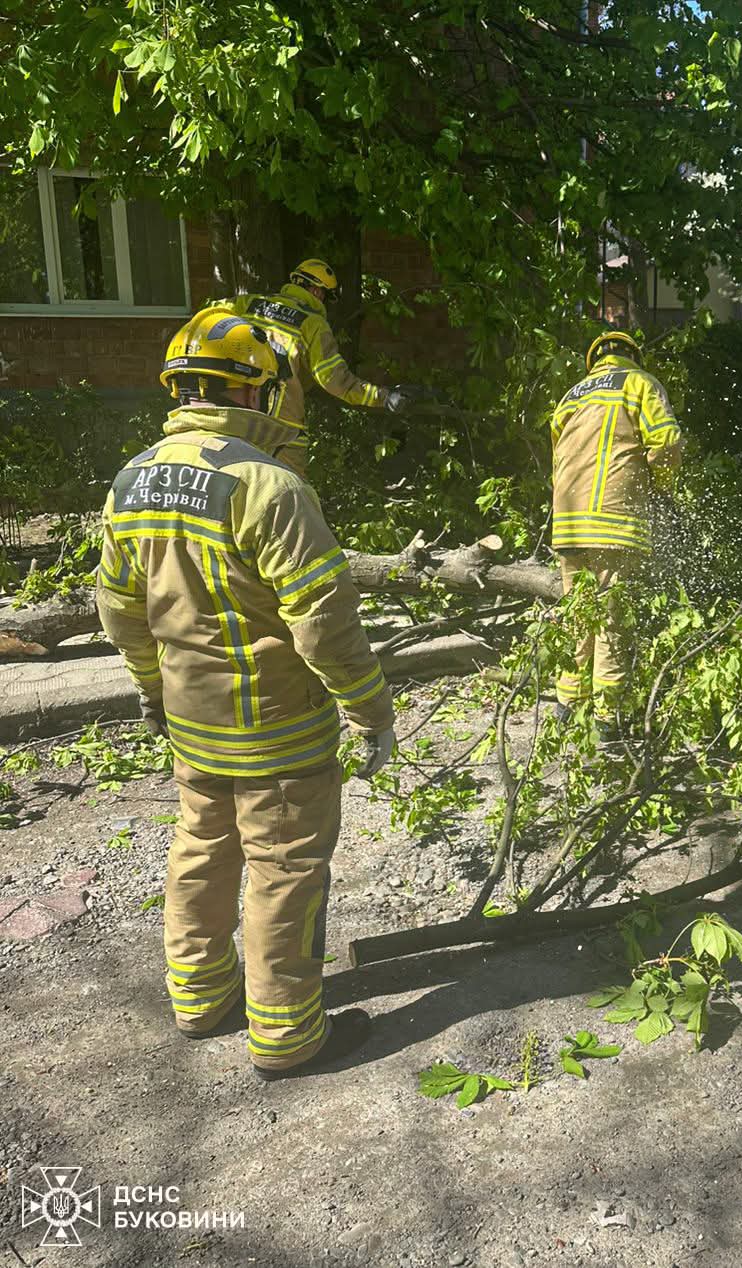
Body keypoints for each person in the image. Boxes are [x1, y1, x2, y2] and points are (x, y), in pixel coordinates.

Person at [96, 307, 395, 1080]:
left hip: (192, 723)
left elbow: (119, 609)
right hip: (279, 730)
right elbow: (322, 623)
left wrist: (150, 689)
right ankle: (288, 1034)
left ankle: (199, 998)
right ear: (256, 392)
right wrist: (370, 712)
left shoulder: (131, 482)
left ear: (179, 388)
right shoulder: (269, 485)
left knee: (201, 849)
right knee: (284, 869)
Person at [550, 329, 683, 739]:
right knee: (611, 620)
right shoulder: (640, 383)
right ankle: (608, 719)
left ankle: (568, 705)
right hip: (615, 521)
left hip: (568, 521)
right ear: (633, 356)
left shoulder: (571, 396)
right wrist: (662, 488)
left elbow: (557, 456)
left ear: (594, 361)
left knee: (578, 615)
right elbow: (666, 441)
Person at [222, 257, 418, 474]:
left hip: (235, 412)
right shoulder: (313, 323)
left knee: (233, 478)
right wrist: (384, 397)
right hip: (282, 428)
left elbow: (206, 316)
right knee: (290, 488)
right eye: (325, 296)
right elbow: (335, 380)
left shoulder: (247, 304)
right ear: (316, 291)